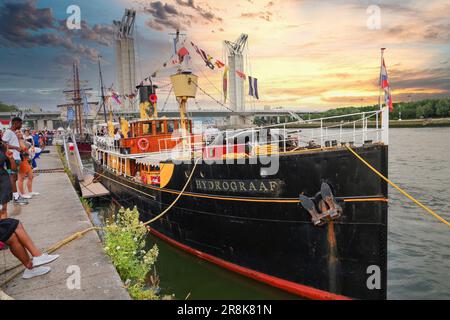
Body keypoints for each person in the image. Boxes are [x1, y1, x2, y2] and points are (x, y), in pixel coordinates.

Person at [1, 118, 28, 205]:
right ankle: (16, 197)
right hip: (11, 158)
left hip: (15, 157)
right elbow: (3, 143)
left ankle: (14, 195)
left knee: (14, 177)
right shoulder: (8, 132)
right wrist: (16, 148)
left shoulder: (12, 133)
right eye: (20, 124)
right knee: (12, 177)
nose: (21, 126)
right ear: (16, 123)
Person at [16, 131, 38, 199]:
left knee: (31, 176)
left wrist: (31, 152)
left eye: (19, 132)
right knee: (21, 178)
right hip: (21, 161)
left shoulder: (23, 140)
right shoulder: (14, 142)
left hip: (27, 160)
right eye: (17, 132)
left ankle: (30, 191)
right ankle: (22, 194)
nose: (19, 133)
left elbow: (28, 148)